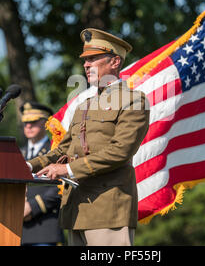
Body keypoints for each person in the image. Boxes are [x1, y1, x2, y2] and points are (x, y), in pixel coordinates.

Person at [27, 28, 150, 246]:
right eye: (85, 59)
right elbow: (62, 150)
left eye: (93, 58)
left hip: (108, 209)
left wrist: (68, 169)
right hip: (75, 210)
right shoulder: (83, 105)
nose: (86, 64)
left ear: (115, 62)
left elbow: (120, 151)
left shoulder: (133, 101)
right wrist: (28, 165)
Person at [20, 101, 64, 246]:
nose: (28, 126)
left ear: (45, 122)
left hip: (45, 229)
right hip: (18, 230)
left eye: (33, 121)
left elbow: (61, 187)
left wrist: (32, 206)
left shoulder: (55, 150)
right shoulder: (18, 153)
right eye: (25, 122)